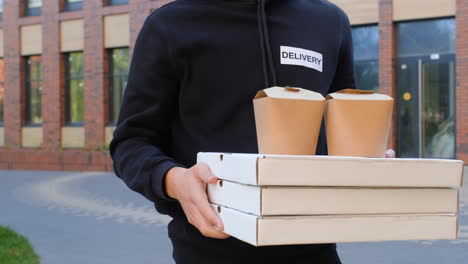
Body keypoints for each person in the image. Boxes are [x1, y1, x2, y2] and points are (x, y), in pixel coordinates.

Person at [110, 0, 395, 263]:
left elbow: (340, 118)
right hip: (208, 249)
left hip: (315, 248)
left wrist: (362, 158)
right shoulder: (169, 25)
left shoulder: (329, 21)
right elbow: (131, 142)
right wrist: (175, 180)